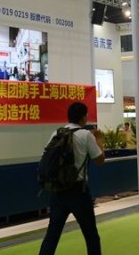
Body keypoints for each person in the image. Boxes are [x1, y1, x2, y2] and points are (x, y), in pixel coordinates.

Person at [39, 102, 105, 255]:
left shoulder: (56, 134)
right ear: (83, 117)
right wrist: (99, 139)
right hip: (78, 192)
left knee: (52, 235)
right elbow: (100, 160)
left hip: (57, 191)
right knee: (91, 234)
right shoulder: (86, 135)